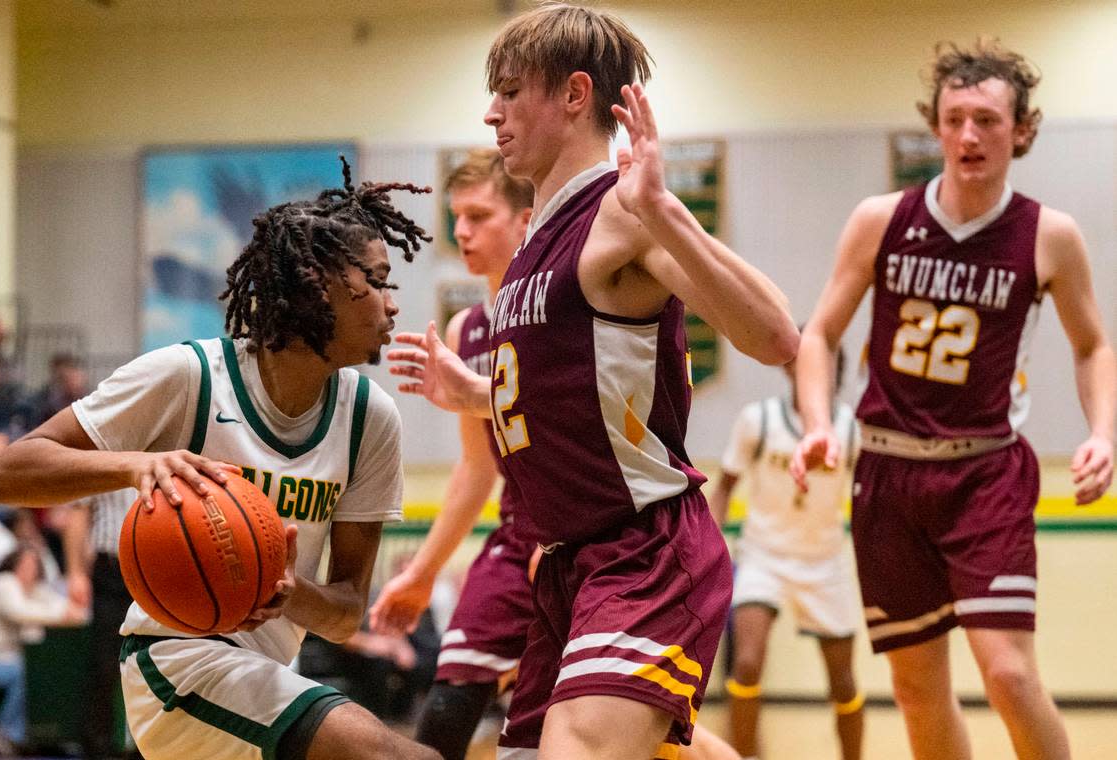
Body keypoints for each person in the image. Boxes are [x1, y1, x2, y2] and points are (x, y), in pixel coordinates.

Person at [388, 5, 798, 758]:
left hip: (642, 549)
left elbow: (777, 336)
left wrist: (665, 213)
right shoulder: (533, 244)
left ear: (575, 95)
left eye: (510, 92)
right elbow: (572, 391)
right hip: (565, 564)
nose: (491, 113)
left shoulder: (622, 213)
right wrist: (471, 394)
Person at [0, 159, 441, 760]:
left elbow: (346, 614)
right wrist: (135, 464)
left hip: (271, 670)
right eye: (377, 281)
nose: (391, 304)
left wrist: (287, 594)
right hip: (174, 662)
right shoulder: (190, 376)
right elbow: (4, 475)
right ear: (315, 286)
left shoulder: (369, 419)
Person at [790, 39, 1115, 760]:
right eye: (955, 118)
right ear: (936, 126)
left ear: (1021, 131)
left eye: (988, 120)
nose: (969, 135)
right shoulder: (881, 220)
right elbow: (819, 336)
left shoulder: (1049, 235)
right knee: (916, 687)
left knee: (1007, 673)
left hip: (985, 474)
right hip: (887, 473)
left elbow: (1093, 344)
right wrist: (819, 422)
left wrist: (1102, 433)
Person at [369, 148, 536, 760]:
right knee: (447, 709)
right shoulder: (468, 330)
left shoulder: (561, 308)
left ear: (526, 220)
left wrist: (476, 394)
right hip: (518, 538)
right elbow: (477, 466)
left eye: (478, 215)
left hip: (591, 540)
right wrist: (422, 572)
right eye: (455, 216)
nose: (462, 231)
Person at [709, 346, 863, 760]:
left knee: (843, 682)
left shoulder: (850, 430)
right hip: (764, 556)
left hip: (825, 560)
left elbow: (867, 500)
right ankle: (745, 755)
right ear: (791, 368)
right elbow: (724, 485)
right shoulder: (757, 422)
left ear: (835, 369)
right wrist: (706, 545)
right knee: (746, 664)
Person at [0, 546, 87, 755]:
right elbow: (20, 612)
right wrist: (63, 614)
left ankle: (49, 735)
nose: (29, 570)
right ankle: (5, 733)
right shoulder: (4, 583)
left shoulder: (31, 587)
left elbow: (63, 606)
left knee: (48, 668)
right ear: (13, 563)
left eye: (33, 565)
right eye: (25, 564)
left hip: (12, 656)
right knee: (27, 672)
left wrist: (69, 610)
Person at [62, 487, 141, 759]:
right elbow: (78, 512)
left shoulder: (168, 449)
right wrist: (75, 573)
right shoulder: (103, 454)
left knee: (155, 660)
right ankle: (96, 749)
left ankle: (149, 748)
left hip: (154, 566)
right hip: (111, 569)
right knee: (105, 663)